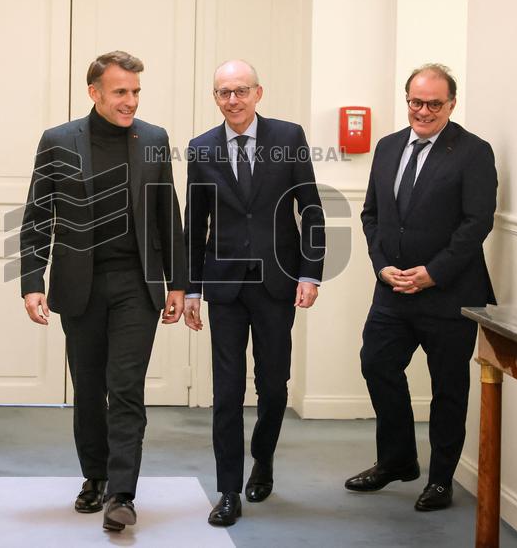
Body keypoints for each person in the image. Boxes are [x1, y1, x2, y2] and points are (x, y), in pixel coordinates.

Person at [19, 50, 188, 533]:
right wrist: (32, 281)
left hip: (136, 285)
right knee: (89, 390)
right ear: (94, 92)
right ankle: (93, 476)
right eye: (121, 92)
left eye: (135, 92)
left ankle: (121, 493)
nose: (130, 101)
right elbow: (38, 215)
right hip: (79, 287)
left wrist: (178, 281)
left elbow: (165, 215)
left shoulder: (153, 139)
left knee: (126, 388)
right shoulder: (58, 141)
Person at [345, 64, 497, 512]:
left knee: (448, 388)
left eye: (434, 103)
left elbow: (476, 224)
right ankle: (397, 460)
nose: (423, 111)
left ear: (452, 104)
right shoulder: (389, 147)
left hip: (449, 294)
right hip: (392, 289)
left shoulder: (473, 152)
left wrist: (434, 272)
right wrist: (382, 266)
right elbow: (371, 215)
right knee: (376, 364)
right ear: (406, 99)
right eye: (415, 101)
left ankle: (441, 479)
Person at [183, 59, 325, 527]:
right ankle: (228, 490)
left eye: (241, 91)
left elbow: (312, 210)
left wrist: (310, 274)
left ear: (258, 93)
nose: (233, 100)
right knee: (226, 392)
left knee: (274, 385)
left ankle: (262, 458)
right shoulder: (201, 149)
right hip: (223, 285)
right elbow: (194, 225)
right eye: (224, 92)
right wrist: (189, 289)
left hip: (276, 284)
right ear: (215, 97)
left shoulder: (288, 138)